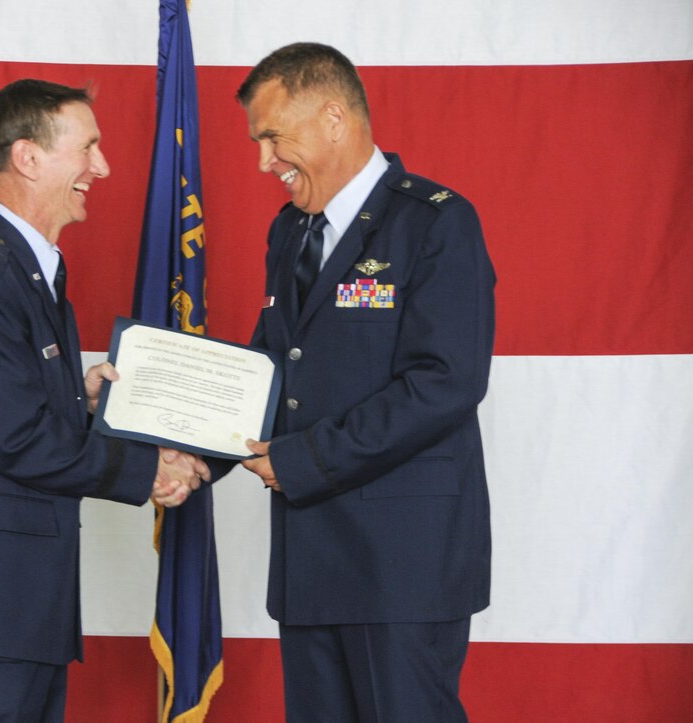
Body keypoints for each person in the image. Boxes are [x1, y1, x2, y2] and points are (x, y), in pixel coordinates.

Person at [0, 79, 207, 723]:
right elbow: (17, 439)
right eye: (88, 148)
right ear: (27, 158)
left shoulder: (28, 274)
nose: (102, 167)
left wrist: (75, 399)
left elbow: (8, 414)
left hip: (16, 605)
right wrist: (151, 470)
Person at [235, 43, 495, 721]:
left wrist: (304, 458)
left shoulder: (436, 223)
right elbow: (269, 369)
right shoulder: (290, 232)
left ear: (332, 118)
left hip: (401, 568)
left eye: (271, 137)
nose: (264, 161)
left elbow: (445, 382)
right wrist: (174, 432)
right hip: (311, 560)